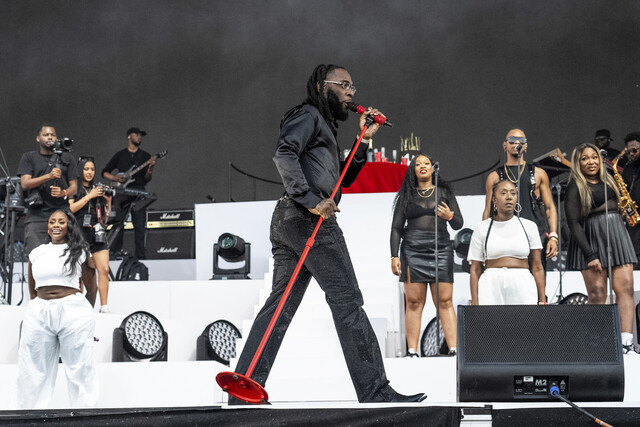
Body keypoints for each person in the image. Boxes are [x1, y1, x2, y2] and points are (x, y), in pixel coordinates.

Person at [231, 64, 426, 403]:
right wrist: (311, 201)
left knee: (279, 307)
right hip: (308, 221)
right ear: (324, 86)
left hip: (291, 220)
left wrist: (362, 141)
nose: (352, 92)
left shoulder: (324, 126)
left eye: (354, 86)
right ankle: (376, 390)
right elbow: (283, 153)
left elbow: (344, 179)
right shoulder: (307, 115)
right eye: (344, 85)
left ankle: (242, 390)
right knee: (348, 302)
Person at [17, 209, 98, 408]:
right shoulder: (36, 253)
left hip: (73, 311)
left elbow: (92, 289)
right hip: (40, 312)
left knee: (80, 367)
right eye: (52, 221)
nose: (55, 225)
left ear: (68, 225)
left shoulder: (80, 252)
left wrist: (81, 313)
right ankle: (29, 417)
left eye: (61, 222)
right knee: (32, 368)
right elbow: (33, 290)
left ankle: (86, 416)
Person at [565, 143, 637, 354]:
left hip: (616, 234)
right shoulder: (575, 186)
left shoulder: (610, 180)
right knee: (597, 293)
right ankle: (595, 343)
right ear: (578, 163)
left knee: (626, 288)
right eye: (585, 159)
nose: (591, 162)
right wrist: (590, 254)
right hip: (591, 237)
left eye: (594, 157)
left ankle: (626, 341)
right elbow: (573, 223)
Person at [390, 154, 463, 357]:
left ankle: (454, 349)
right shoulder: (406, 195)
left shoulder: (444, 191)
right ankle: (412, 351)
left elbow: (458, 222)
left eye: (426, 163)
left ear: (433, 169)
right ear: (413, 170)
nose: (422, 166)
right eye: (418, 164)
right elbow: (396, 228)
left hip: (441, 250)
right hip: (412, 251)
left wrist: (448, 216)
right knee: (413, 302)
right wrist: (394, 256)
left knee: (445, 301)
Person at [482, 129, 558, 268]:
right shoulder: (494, 176)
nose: (517, 143)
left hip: (534, 236)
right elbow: (488, 210)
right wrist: (484, 239)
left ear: (526, 146)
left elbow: (549, 207)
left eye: (521, 140)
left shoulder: (538, 173)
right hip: (503, 236)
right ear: (505, 145)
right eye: (512, 140)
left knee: (537, 279)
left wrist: (553, 236)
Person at [469, 180, 546, 305]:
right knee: (492, 324)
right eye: (503, 193)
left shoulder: (529, 226)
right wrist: (474, 302)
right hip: (490, 283)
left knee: (523, 323)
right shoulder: (482, 228)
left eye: (513, 193)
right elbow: (475, 269)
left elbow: (537, 267)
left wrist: (542, 300)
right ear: (494, 199)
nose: (509, 197)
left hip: (523, 282)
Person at [18, 124, 78, 255]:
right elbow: (25, 183)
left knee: (65, 258)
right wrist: (48, 176)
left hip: (62, 214)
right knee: (36, 257)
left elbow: (74, 188)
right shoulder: (29, 157)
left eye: (53, 135)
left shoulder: (68, 158)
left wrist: (64, 192)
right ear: (38, 138)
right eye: (46, 135)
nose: (50, 137)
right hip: (37, 216)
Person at [102, 127, 156, 259]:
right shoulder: (120, 155)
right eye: (136, 135)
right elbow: (104, 172)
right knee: (118, 224)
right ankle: (114, 253)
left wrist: (150, 170)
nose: (139, 137)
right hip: (122, 193)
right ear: (129, 137)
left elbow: (147, 179)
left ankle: (140, 257)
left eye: (140, 135)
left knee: (139, 225)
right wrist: (115, 178)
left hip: (138, 191)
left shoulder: (145, 156)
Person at [69, 156, 112, 313]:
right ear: (80, 170)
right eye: (86, 169)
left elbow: (106, 218)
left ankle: (104, 307)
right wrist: (89, 196)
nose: (89, 172)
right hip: (79, 235)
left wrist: (107, 201)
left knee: (104, 269)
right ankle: (78, 309)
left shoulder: (98, 189)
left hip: (97, 233)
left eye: (92, 169)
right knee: (79, 274)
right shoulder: (74, 188)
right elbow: (70, 209)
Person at [621, 132, 640, 266]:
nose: (632, 154)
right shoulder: (628, 168)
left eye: (635, 150)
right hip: (634, 221)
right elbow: (624, 194)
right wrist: (628, 212)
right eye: (629, 151)